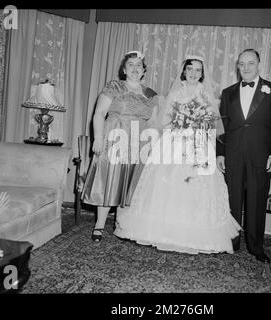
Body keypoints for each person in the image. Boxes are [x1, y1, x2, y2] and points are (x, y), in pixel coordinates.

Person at [114, 55, 241, 254]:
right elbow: (164, 121)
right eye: (190, 69)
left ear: (202, 74)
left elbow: (212, 125)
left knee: (196, 188)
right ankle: (162, 231)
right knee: (167, 186)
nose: (193, 73)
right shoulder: (175, 93)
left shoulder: (206, 95)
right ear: (184, 71)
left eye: (198, 70)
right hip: (174, 142)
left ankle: (194, 234)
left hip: (198, 145)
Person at [216, 48, 271, 263]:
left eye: (250, 63)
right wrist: (220, 154)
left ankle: (256, 248)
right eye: (241, 64)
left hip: (261, 156)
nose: (245, 68)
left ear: (258, 64)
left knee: (257, 202)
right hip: (233, 154)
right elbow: (222, 127)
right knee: (232, 201)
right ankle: (232, 243)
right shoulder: (227, 93)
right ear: (237, 66)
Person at [81, 50, 158, 242]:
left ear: (143, 71)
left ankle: (125, 225)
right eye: (130, 65)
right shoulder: (114, 87)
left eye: (138, 65)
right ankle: (99, 225)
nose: (134, 68)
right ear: (124, 69)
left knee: (131, 182)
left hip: (139, 143)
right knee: (108, 180)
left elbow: (154, 123)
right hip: (114, 138)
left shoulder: (151, 94)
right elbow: (99, 113)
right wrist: (98, 138)